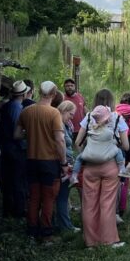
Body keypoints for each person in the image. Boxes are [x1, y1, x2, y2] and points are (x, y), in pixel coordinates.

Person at [75, 88, 130, 248]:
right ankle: (109, 240)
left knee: (89, 203)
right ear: (112, 101)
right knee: (107, 203)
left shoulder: (88, 116)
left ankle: (90, 242)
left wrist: (86, 154)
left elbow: (78, 142)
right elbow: (125, 146)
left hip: (90, 167)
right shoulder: (118, 119)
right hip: (110, 165)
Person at [15, 81, 67, 242]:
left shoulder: (27, 111)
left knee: (34, 197)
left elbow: (16, 135)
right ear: (54, 94)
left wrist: (32, 134)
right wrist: (64, 162)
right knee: (48, 198)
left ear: (38, 92)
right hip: (49, 161)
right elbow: (59, 140)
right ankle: (46, 234)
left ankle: (31, 232)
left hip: (31, 160)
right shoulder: (54, 113)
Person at [70, 105, 128, 186]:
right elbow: (123, 145)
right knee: (118, 150)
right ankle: (122, 169)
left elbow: (78, 142)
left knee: (79, 158)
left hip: (90, 159)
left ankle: (74, 175)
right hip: (107, 160)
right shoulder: (109, 132)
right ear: (107, 119)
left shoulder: (91, 131)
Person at [0, 80, 28, 219]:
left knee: (8, 180)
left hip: (6, 148)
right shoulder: (16, 107)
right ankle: (18, 211)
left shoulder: (7, 105)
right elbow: (17, 131)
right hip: (15, 149)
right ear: (24, 94)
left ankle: (7, 210)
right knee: (17, 180)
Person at [53, 100, 79, 233]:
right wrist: (64, 163)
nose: (72, 117)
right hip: (62, 164)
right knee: (62, 196)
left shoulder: (64, 124)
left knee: (62, 196)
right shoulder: (59, 125)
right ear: (63, 110)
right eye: (71, 114)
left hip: (65, 162)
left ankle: (59, 222)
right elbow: (60, 142)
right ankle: (65, 226)